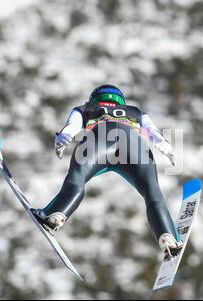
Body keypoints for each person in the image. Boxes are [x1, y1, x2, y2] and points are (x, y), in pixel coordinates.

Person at [32, 84, 183, 256]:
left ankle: (55, 214)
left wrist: (63, 138)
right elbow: (152, 131)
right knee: (152, 192)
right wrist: (164, 144)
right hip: (134, 143)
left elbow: (71, 127)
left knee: (77, 179)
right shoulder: (135, 111)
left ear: (94, 98)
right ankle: (167, 236)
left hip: (100, 137)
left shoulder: (86, 108)